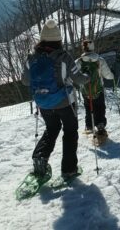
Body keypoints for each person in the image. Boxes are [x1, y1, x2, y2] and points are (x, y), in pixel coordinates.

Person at [21, 19, 89, 178]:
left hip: (43, 103)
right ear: (59, 39)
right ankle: (69, 169)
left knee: (51, 129)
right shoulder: (64, 57)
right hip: (65, 102)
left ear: (42, 39)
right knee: (70, 132)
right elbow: (78, 78)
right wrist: (88, 76)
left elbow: (25, 81)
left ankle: (40, 157)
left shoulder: (31, 58)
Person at [76, 40, 114, 137]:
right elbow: (108, 75)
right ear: (93, 48)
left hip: (85, 91)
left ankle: (89, 126)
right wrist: (112, 76)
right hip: (98, 90)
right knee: (100, 107)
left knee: (88, 108)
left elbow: (74, 76)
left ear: (83, 48)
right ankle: (100, 125)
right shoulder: (100, 60)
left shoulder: (79, 61)